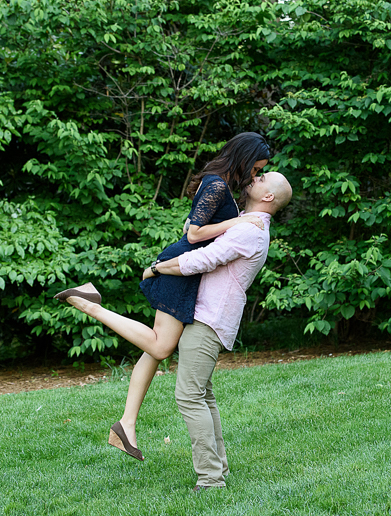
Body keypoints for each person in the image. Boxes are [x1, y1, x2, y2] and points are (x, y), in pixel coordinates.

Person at [54, 132, 270, 460]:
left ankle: (126, 425)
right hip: (181, 269)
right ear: (244, 158)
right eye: (256, 169)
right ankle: (87, 302)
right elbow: (193, 232)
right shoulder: (215, 185)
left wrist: (236, 220)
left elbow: (193, 224)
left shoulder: (217, 184)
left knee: (154, 351)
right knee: (160, 345)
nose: (254, 176)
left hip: (187, 272)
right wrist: (239, 222)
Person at [140, 171, 292, 490]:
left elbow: (203, 260)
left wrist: (155, 269)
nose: (255, 176)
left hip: (210, 318)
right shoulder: (243, 221)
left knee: (188, 395)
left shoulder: (251, 231)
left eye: (262, 177)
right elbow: (195, 234)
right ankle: (217, 468)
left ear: (268, 197)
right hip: (206, 314)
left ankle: (210, 479)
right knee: (202, 395)